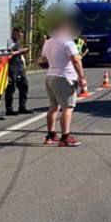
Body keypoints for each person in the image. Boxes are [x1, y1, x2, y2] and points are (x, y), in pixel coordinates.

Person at [40, 15, 88, 146]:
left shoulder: (48, 42)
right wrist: (82, 77)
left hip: (50, 76)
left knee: (53, 107)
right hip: (65, 77)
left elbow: (43, 60)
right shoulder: (68, 42)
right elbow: (76, 60)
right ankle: (65, 137)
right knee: (68, 107)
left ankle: (50, 135)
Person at [4, 26, 29, 114]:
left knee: (24, 86)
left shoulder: (17, 42)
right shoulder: (11, 42)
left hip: (19, 66)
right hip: (12, 66)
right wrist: (21, 51)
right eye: (19, 34)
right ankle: (9, 109)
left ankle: (22, 107)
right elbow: (9, 53)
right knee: (11, 88)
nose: (20, 36)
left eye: (21, 34)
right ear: (14, 33)